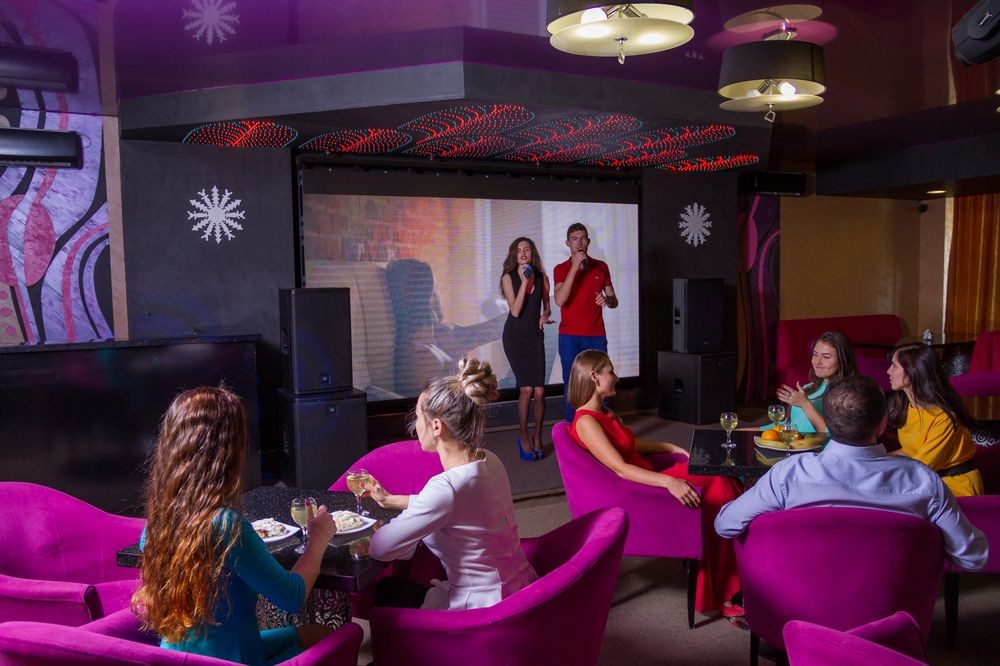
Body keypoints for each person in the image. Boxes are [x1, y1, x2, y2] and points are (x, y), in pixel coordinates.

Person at [131, 387, 338, 666]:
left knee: (315, 634)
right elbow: (292, 596)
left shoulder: (158, 522)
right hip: (232, 660)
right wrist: (319, 539)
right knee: (341, 637)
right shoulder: (226, 525)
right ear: (229, 454)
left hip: (173, 658)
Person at [715, 375, 988, 571]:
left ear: (829, 422)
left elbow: (725, 524)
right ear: (882, 424)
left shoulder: (789, 474)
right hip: (891, 610)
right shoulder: (923, 481)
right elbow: (973, 556)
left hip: (800, 605)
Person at [568, 350, 744, 617]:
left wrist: (668, 446)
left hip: (650, 478)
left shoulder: (600, 413)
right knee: (720, 484)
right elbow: (620, 469)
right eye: (611, 372)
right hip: (641, 491)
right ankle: (724, 590)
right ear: (594, 377)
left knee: (722, 477)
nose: (616, 377)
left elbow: (626, 444)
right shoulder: (586, 422)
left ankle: (732, 576)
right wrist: (669, 482)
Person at [366, 357, 538, 610]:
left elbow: (380, 548)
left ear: (437, 426)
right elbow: (460, 506)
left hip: (482, 610)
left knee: (387, 591)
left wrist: (392, 528)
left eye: (418, 417)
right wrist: (392, 500)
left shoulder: (445, 488)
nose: (415, 426)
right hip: (520, 592)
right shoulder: (490, 460)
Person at [386, 258, 506, 397]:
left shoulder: (437, 336)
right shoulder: (421, 356)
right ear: (427, 295)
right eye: (436, 289)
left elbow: (494, 328)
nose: (440, 295)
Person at [887, 343, 984, 497]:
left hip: (956, 484)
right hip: (929, 480)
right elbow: (910, 451)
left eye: (894, 366)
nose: (888, 371)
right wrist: (873, 459)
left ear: (912, 373)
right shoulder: (907, 407)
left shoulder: (943, 417)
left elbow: (922, 467)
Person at [554, 223, 617, 422]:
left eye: (582, 238)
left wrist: (607, 300)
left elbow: (614, 301)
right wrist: (574, 268)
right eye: (574, 239)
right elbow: (559, 300)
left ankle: (600, 428)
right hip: (569, 337)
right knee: (571, 384)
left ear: (588, 241)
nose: (579, 243)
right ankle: (573, 428)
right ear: (568, 243)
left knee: (601, 384)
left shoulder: (601, 266)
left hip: (596, 335)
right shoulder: (561, 269)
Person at [500, 237, 554, 460]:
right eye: (519, 250)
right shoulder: (508, 277)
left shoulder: (542, 277)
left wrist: (545, 315)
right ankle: (523, 436)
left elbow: (547, 307)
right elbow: (515, 311)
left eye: (527, 250)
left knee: (540, 392)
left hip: (534, 336)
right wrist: (523, 282)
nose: (523, 253)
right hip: (515, 337)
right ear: (514, 254)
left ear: (533, 254)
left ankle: (538, 436)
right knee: (527, 390)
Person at [767, 331, 857, 434]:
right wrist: (753, 430)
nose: (817, 362)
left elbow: (835, 435)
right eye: (815, 354)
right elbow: (786, 425)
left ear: (843, 360)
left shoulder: (847, 395)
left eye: (826, 357)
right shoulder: (807, 388)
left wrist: (805, 404)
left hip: (814, 444)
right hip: (790, 441)